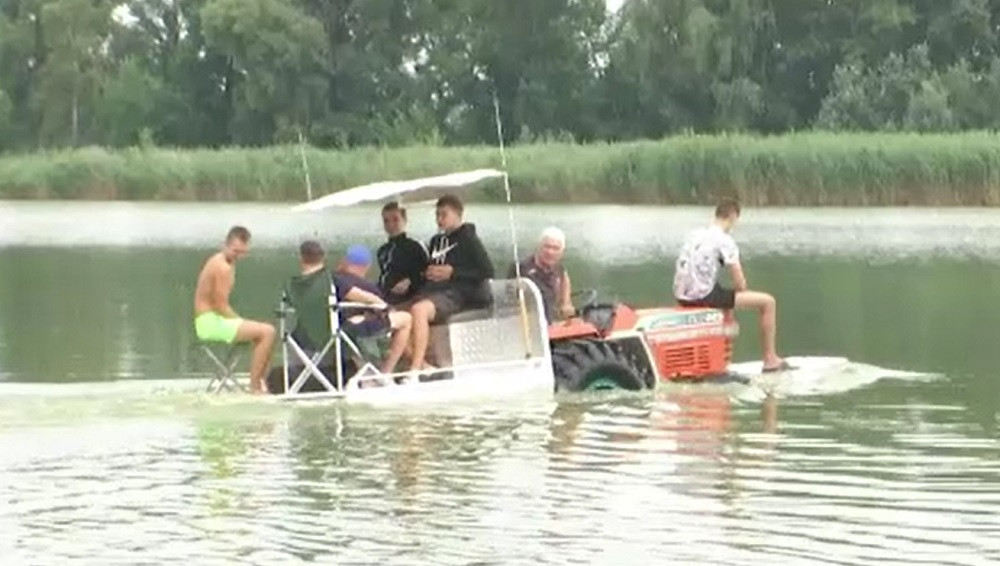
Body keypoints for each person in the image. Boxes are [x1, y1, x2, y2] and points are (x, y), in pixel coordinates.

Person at [672, 199, 792, 373]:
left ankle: (721, 359)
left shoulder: (694, 235)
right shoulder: (724, 240)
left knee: (727, 302)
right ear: (734, 216)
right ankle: (770, 359)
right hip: (702, 295)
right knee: (768, 302)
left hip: (681, 295)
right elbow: (740, 283)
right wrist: (742, 290)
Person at [407, 194, 495, 372]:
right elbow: (428, 269)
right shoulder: (436, 241)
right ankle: (422, 364)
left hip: (458, 294)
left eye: (444, 215)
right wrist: (424, 274)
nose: (439, 220)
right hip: (433, 291)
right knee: (396, 314)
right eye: (437, 215)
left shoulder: (469, 240)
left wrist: (453, 272)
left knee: (419, 311)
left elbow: (487, 271)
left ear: (458, 214)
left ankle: (415, 369)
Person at [193, 225, 276, 394]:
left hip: (211, 319)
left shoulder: (219, 260)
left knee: (262, 333)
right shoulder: (222, 266)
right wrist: (240, 321)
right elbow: (220, 305)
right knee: (267, 332)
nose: (238, 256)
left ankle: (261, 381)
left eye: (242, 252)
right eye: (235, 251)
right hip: (209, 322)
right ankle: (255, 387)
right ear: (226, 244)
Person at [332, 243, 413, 374]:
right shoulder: (364, 286)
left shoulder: (331, 278)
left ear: (344, 261)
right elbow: (381, 307)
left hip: (331, 332)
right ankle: (386, 372)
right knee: (405, 319)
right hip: (349, 331)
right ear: (367, 266)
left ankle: (420, 364)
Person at [508, 226, 575, 323]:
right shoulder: (521, 269)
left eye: (555, 248)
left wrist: (566, 306)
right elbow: (510, 302)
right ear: (539, 247)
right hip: (528, 323)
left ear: (561, 253)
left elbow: (566, 304)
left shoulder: (560, 271)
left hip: (552, 324)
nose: (550, 252)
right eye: (547, 246)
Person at [376, 201, 429, 305]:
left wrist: (410, 281)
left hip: (406, 296)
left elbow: (426, 273)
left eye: (395, 220)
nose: (391, 225)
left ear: (404, 220)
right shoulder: (382, 251)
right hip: (384, 294)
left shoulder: (414, 247)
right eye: (386, 221)